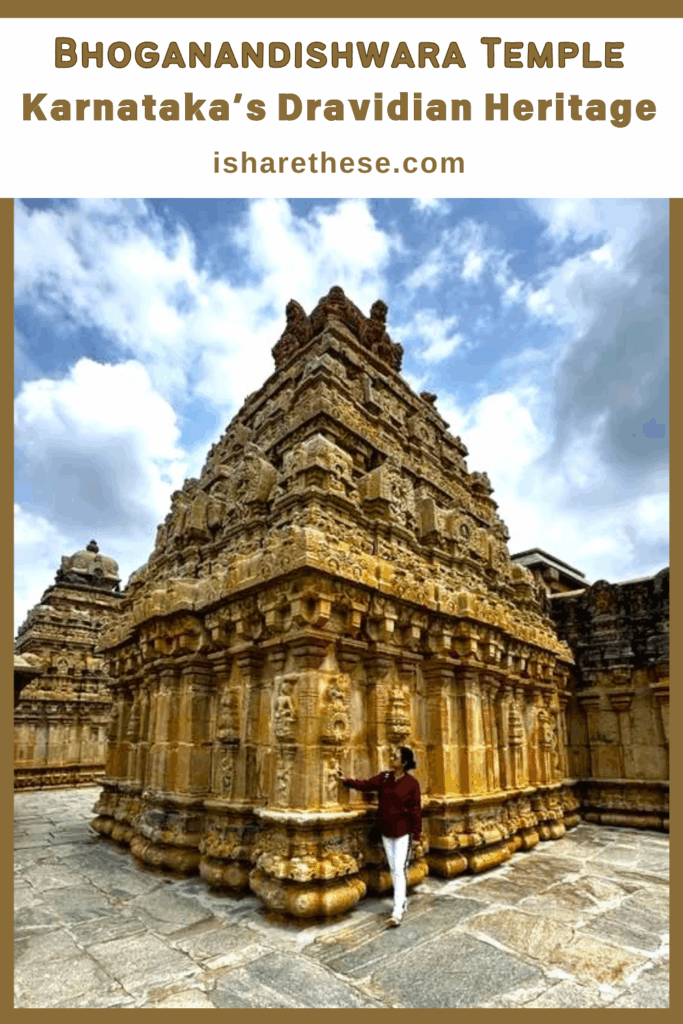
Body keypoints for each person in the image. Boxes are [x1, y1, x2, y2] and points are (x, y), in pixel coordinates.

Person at [337, 746, 422, 927]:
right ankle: (402, 901)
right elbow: (366, 785)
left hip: (402, 831)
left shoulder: (412, 784)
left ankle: (397, 911)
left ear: (404, 762)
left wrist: (416, 836)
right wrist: (346, 781)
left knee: (398, 869)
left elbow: (416, 810)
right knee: (393, 868)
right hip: (386, 830)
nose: (391, 758)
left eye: (395, 756)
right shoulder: (385, 778)